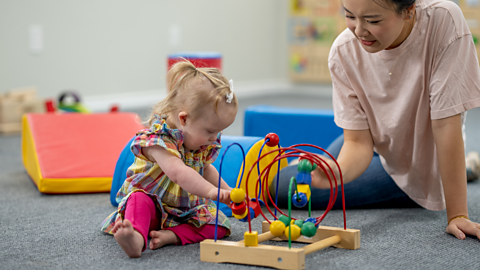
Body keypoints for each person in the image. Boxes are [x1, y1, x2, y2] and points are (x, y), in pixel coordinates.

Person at [276, 0, 480, 240]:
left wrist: (457, 215)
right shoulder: (343, 51)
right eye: (350, 15)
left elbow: (445, 124)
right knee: (280, 182)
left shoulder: (444, 20)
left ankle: (463, 168)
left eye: (373, 21)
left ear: (409, 11)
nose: (359, 31)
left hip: (412, 163)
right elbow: (357, 142)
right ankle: (467, 164)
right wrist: (337, 171)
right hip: (372, 140)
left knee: (279, 189)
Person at [101, 60, 238, 258]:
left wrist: (228, 192)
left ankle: (172, 235)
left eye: (218, 131)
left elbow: (206, 169)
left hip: (185, 212)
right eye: (210, 130)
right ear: (183, 119)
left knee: (220, 224)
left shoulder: (201, 143)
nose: (214, 138)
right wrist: (211, 192)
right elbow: (178, 173)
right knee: (138, 199)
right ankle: (136, 238)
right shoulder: (158, 141)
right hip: (152, 208)